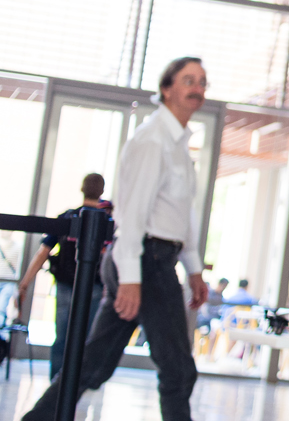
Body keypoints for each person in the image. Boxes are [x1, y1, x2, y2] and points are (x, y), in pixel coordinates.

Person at [22, 57, 211, 421]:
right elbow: (132, 214)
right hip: (145, 260)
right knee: (178, 370)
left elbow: (181, 215)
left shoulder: (178, 144)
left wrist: (193, 268)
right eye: (188, 80)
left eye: (202, 82)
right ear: (167, 88)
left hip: (153, 259)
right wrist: (130, 278)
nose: (197, 89)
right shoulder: (153, 140)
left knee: (93, 365)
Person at [16, 174, 113, 378]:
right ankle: (76, 384)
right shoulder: (107, 222)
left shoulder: (67, 218)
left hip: (65, 284)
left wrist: (25, 283)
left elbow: (43, 252)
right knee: (85, 339)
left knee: (62, 337)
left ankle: (56, 383)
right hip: (94, 287)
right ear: (101, 191)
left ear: (81, 188)